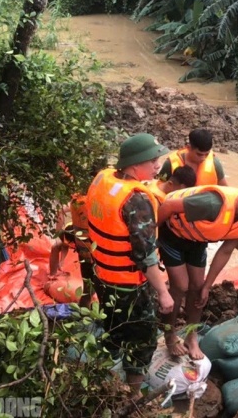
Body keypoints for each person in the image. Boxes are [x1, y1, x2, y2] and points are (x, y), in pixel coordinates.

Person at [84, 133, 175, 391]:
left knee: (113, 327)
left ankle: (102, 379)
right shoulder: (136, 199)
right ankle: (133, 394)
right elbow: (145, 256)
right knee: (142, 339)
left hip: (103, 277)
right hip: (129, 286)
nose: (158, 166)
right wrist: (163, 293)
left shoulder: (103, 178)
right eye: (153, 160)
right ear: (135, 165)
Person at [156, 185, 238, 359]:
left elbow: (225, 251)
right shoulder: (211, 204)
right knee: (180, 286)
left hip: (196, 240)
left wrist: (208, 286)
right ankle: (170, 335)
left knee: (198, 287)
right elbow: (169, 206)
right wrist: (150, 235)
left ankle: (191, 335)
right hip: (172, 235)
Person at [158, 129, 238, 301]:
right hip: (178, 213)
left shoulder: (214, 164)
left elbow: (226, 190)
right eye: (199, 154)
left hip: (207, 213)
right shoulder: (171, 164)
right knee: (180, 279)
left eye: (206, 154)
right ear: (189, 147)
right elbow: (161, 190)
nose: (203, 158)